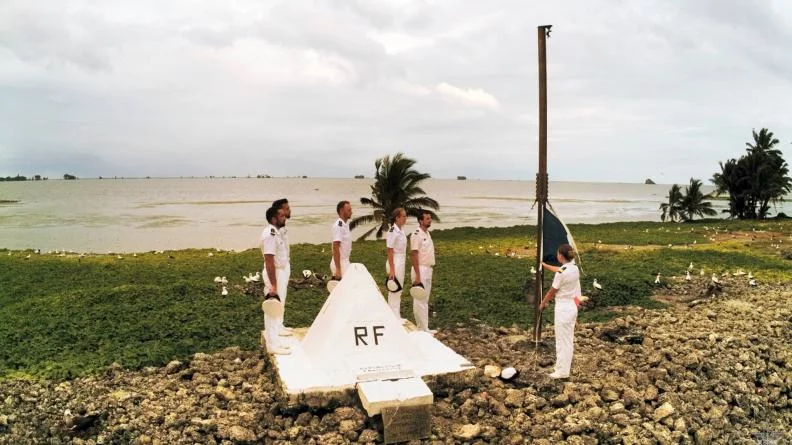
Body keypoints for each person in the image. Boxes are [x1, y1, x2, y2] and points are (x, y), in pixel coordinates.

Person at [540, 244, 581, 379]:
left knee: (561, 341)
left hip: (563, 308)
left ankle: (562, 372)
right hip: (572, 307)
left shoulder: (561, 273)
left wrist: (543, 303)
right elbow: (561, 270)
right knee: (567, 340)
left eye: (558, 254)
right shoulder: (574, 269)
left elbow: (552, 291)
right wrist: (545, 266)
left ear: (560, 256)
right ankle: (563, 368)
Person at [261, 206, 291, 355]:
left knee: (278, 306)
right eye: (281, 215)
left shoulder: (277, 232)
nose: (284, 217)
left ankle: (276, 341)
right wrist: (273, 284)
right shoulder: (270, 234)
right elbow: (269, 260)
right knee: (272, 309)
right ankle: (272, 345)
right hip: (274, 274)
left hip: (279, 272)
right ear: (273, 219)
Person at [410, 210, 436, 333]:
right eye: (427, 219)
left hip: (428, 269)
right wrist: (418, 276)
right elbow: (414, 255)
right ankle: (421, 328)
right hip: (420, 269)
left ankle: (425, 328)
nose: (429, 220)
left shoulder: (427, 234)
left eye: (430, 218)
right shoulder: (416, 234)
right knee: (419, 300)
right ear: (420, 221)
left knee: (424, 300)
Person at [271, 198, 292, 333]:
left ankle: (280, 325)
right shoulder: (273, 231)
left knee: (282, 296)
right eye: (286, 208)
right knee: (278, 298)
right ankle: (276, 327)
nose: (289, 210)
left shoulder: (282, 229)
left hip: (284, 266)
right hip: (278, 268)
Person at [386, 207, 408, 319]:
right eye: (403, 216)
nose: (405, 218)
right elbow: (389, 250)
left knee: (399, 289)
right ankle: (392, 316)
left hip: (401, 260)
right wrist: (392, 269)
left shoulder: (401, 230)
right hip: (395, 261)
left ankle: (397, 315)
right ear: (397, 217)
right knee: (394, 289)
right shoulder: (392, 231)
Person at [330, 200, 352, 280]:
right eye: (349, 210)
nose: (351, 212)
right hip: (340, 263)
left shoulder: (344, 225)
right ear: (342, 211)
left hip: (345, 262)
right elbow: (336, 247)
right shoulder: (338, 226)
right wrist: (338, 270)